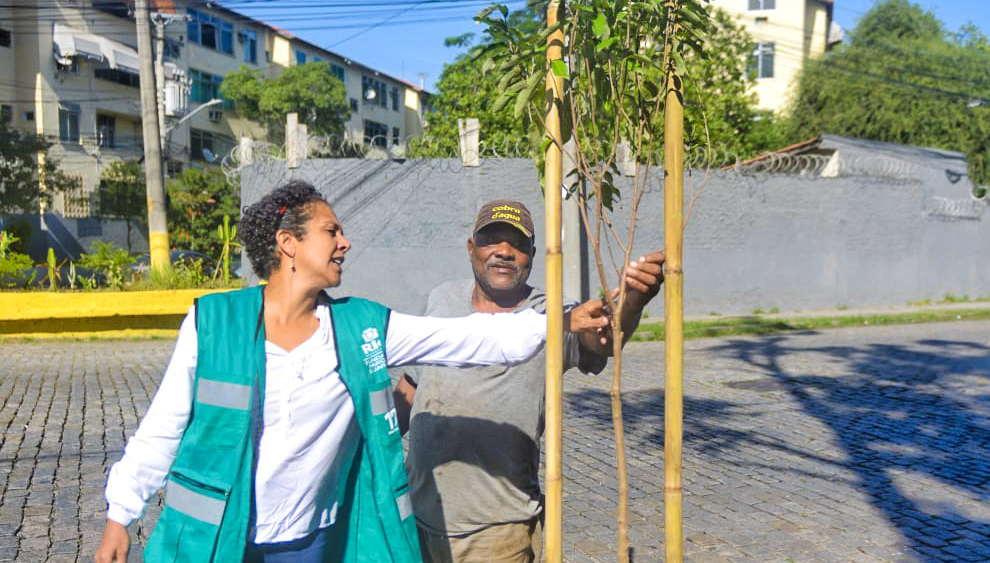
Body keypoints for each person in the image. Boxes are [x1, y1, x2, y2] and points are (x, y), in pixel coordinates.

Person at [94, 182, 609, 563]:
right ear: (288, 243)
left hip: (314, 543)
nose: (345, 242)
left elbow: (473, 338)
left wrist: (559, 321)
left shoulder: (362, 328)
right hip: (221, 538)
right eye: (330, 231)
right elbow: (160, 429)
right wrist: (121, 514)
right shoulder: (213, 323)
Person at [394, 199, 665, 563]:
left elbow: (601, 339)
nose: (504, 252)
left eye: (518, 244)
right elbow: (412, 384)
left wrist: (632, 301)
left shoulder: (552, 312)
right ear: (472, 248)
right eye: (492, 240)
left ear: (533, 255)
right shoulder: (442, 298)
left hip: (495, 529)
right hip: (419, 514)